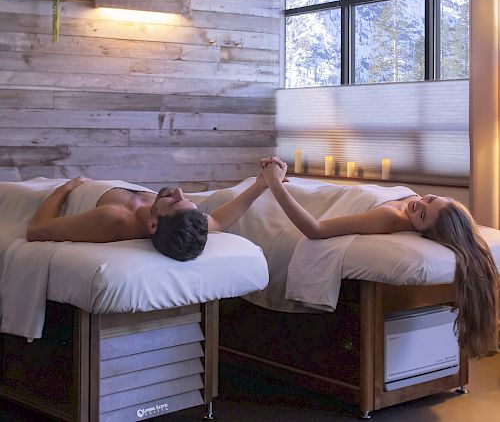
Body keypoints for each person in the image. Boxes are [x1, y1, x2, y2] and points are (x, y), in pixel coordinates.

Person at [259, 157, 499, 359]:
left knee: (242, 199)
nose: (419, 203)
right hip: (315, 191)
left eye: (423, 215)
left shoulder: (390, 218)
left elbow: (316, 230)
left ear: (423, 232)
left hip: (307, 200)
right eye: (430, 198)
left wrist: (274, 183)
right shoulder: (414, 206)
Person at [26, 172, 276, 262]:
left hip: (41, 196)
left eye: (174, 200)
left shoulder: (115, 219)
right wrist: (261, 185)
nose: (177, 191)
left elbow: (36, 230)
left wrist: (66, 188)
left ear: (153, 224)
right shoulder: (181, 220)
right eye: (183, 198)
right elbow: (220, 221)